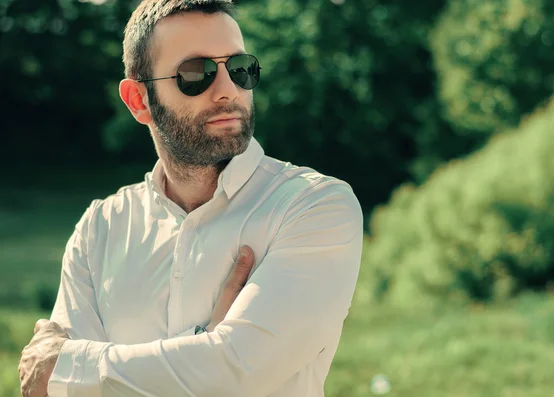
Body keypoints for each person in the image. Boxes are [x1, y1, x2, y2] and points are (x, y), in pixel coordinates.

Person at [18, 0, 363, 396]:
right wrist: (204, 345)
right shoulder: (100, 228)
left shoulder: (314, 206)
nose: (227, 90)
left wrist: (72, 369)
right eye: (195, 74)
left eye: (240, 69)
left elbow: (237, 370)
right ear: (138, 100)